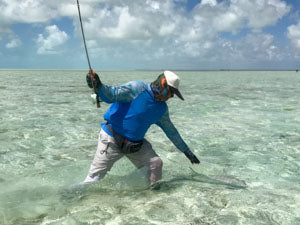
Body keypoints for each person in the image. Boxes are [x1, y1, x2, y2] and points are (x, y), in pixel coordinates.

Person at [84, 71, 200, 186]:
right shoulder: (137, 88)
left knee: (156, 164)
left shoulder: (162, 109)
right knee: (94, 179)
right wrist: (98, 85)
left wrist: (186, 151)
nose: (170, 97)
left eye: (172, 94)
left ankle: (153, 197)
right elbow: (111, 94)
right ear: (162, 84)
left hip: (134, 145)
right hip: (111, 138)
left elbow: (171, 132)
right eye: (170, 92)